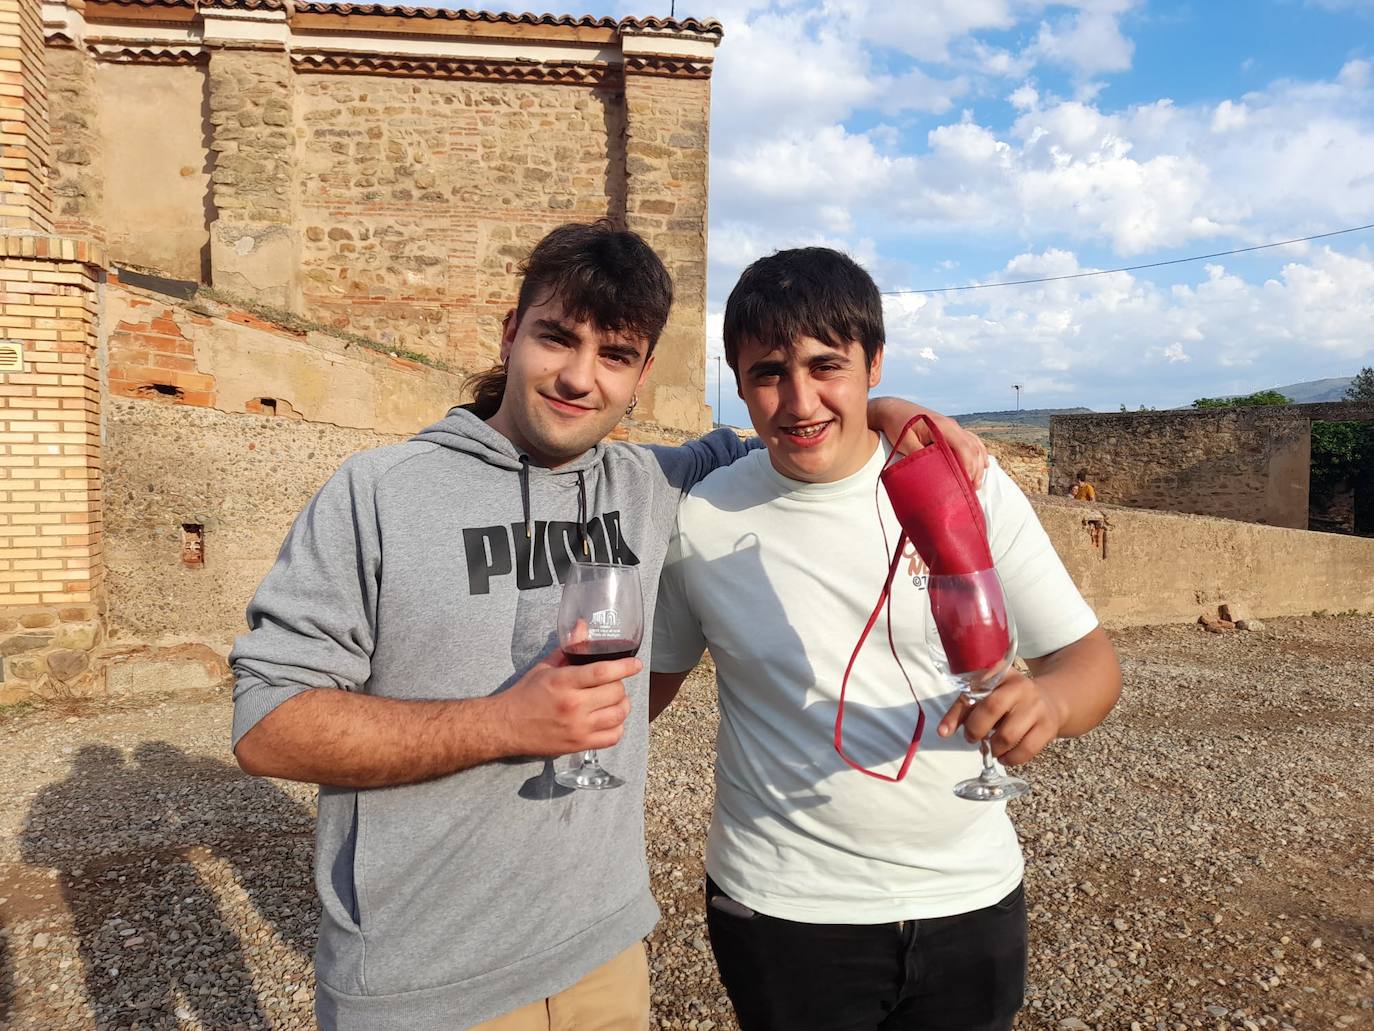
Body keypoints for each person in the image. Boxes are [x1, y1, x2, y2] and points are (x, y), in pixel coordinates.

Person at [229, 222, 985, 1031]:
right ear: (512, 332)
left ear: (643, 374)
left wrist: (897, 411)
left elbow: (787, 425)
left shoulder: (651, 481)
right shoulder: (380, 492)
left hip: (605, 956)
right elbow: (268, 727)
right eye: (558, 338)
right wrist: (500, 723)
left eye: (615, 355)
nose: (579, 377)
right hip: (424, 982)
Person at [650, 247, 1122, 1031]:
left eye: (826, 365)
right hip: (782, 908)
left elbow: (1088, 662)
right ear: (737, 382)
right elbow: (643, 695)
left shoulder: (962, 485)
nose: (800, 399)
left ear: (874, 364)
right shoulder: (701, 518)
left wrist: (1051, 701)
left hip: (971, 897)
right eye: (769, 372)